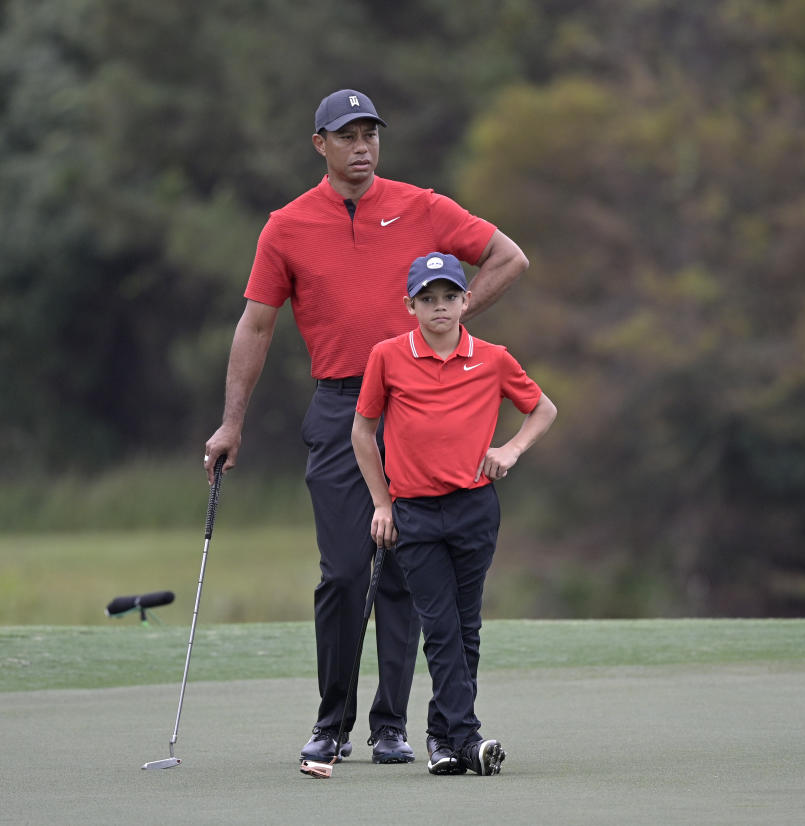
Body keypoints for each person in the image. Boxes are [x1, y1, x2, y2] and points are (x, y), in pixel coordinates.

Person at [203, 89, 529, 765]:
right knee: (347, 572)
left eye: (370, 134)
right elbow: (256, 325)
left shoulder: (422, 205)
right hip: (339, 406)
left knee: (405, 573)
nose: (362, 146)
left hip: (416, 403)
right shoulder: (286, 226)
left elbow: (509, 257)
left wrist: (449, 323)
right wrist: (231, 423)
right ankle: (332, 722)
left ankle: (391, 726)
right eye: (346, 135)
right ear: (319, 144)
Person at [351, 252, 557, 776]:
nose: (439, 307)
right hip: (414, 512)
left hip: (474, 508)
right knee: (440, 626)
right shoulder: (387, 356)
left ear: (466, 301)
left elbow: (543, 409)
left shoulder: (492, 358)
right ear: (411, 306)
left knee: (466, 627)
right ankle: (467, 738)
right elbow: (362, 433)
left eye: (448, 297)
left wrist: (509, 451)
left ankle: (442, 740)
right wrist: (381, 502)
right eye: (427, 299)